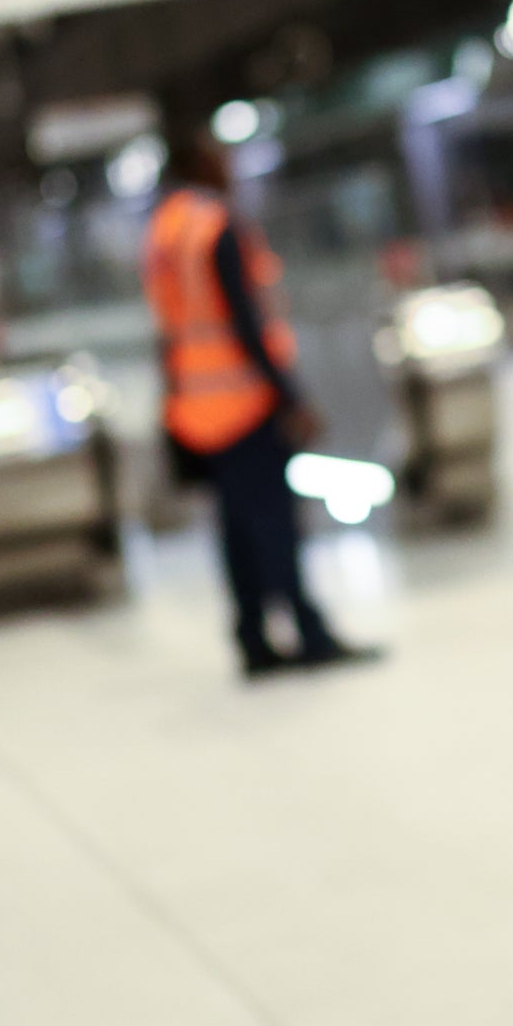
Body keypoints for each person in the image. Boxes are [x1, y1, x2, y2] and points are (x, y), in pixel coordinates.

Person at [144, 126, 375, 678]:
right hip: (242, 400)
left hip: (195, 405)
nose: (229, 165)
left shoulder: (163, 231)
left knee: (234, 528)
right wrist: (291, 396)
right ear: (202, 162)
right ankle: (308, 632)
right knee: (275, 524)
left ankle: (252, 638)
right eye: (220, 155)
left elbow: (169, 328)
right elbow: (245, 323)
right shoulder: (213, 225)